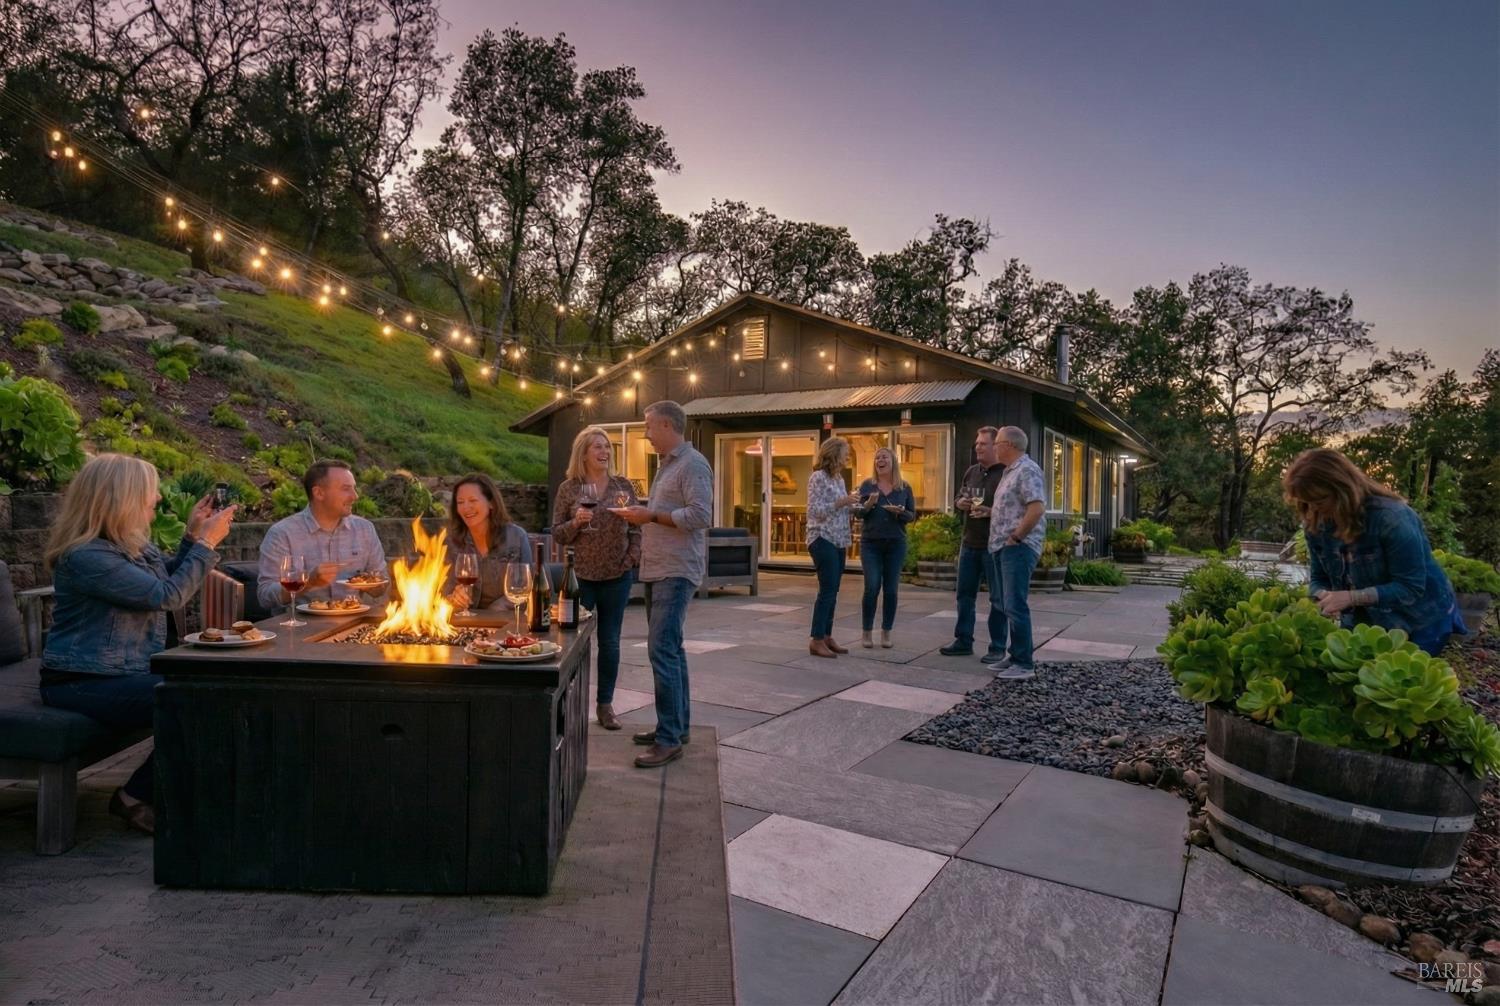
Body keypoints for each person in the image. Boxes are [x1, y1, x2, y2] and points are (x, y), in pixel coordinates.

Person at [40, 453, 237, 835]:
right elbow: (166, 595)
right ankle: (136, 796)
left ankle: (180, 792)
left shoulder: (127, 544)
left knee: (214, 687)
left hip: (120, 672)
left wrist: (193, 537)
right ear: (123, 497)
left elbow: (163, 577)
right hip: (81, 681)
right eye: (150, 492)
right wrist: (207, 544)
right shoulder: (86, 557)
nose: (157, 500)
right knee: (196, 697)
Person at [1283, 448, 1465, 655]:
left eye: (1319, 501)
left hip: (1419, 618)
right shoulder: (1316, 525)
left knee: (1403, 679)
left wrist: (1351, 598)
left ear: (1343, 490)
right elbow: (1318, 577)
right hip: (1364, 619)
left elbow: (1411, 587)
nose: (1313, 509)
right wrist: (1323, 594)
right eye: (1306, 502)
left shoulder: (1392, 518)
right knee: (1359, 676)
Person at [611, 401, 712, 768]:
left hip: (675, 570)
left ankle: (669, 740)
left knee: (662, 650)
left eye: (649, 427)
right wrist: (642, 511)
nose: (646, 434)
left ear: (668, 425)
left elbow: (701, 515)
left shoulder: (693, 464)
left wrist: (651, 514)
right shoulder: (669, 465)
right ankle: (676, 727)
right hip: (657, 569)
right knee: (672, 649)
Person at [551, 427, 641, 730]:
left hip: (617, 576)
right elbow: (558, 534)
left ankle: (605, 706)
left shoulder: (622, 485)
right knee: (571, 644)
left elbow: (636, 527)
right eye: (597, 447)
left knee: (611, 643)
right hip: (580, 579)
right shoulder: (569, 488)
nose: (604, 452)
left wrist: (632, 558)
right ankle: (567, 704)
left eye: (607, 447)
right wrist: (576, 522)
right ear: (583, 453)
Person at [257, 459, 386, 612]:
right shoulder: (282, 533)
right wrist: (308, 583)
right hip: (301, 627)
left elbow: (381, 587)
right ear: (319, 493)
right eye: (346, 489)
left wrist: (372, 583)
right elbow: (264, 597)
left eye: (354, 488)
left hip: (352, 623)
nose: (355, 496)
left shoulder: (365, 529)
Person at [985, 426, 1047, 679]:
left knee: (1015, 604)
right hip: (1002, 547)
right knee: (1007, 604)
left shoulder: (1027, 470)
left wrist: (1016, 537)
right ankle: (1015, 655)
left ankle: (1024, 664)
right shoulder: (1010, 472)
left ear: (1008, 445)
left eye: (996, 443)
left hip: (1017, 548)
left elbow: (1037, 508)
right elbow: (1013, 509)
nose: (993, 447)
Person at [941, 426, 1007, 659]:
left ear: (995, 446)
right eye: (976, 443)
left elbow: (1012, 509)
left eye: (982, 444)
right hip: (969, 544)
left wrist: (991, 512)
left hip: (994, 546)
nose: (977, 447)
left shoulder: (1006, 473)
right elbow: (960, 496)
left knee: (997, 598)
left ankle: (998, 647)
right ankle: (963, 640)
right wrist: (960, 503)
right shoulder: (972, 471)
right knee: (964, 596)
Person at [805, 436, 861, 658]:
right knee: (827, 590)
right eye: (845, 453)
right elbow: (815, 511)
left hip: (838, 539)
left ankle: (827, 636)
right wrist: (844, 501)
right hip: (822, 538)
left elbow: (841, 509)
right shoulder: (817, 477)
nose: (847, 457)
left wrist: (860, 505)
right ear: (834, 453)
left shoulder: (838, 478)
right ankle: (816, 639)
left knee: (834, 591)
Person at [855, 447, 916, 648]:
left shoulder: (904, 488)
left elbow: (911, 516)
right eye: (877, 458)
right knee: (871, 586)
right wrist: (869, 504)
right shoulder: (867, 486)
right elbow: (859, 514)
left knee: (891, 590)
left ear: (893, 462)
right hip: (871, 543)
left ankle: (886, 632)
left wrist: (899, 512)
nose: (880, 460)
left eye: (884, 457)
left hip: (895, 543)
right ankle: (866, 632)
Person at [444, 472, 530, 611]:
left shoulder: (516, 537)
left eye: (472, 500)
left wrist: (498, 607)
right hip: (466, 625)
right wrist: (453, 599)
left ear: (491, 503)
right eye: (460, 502)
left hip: (506, 622)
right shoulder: (451, 542)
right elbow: (443, 592)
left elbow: (527, 589)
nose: (466, 507)